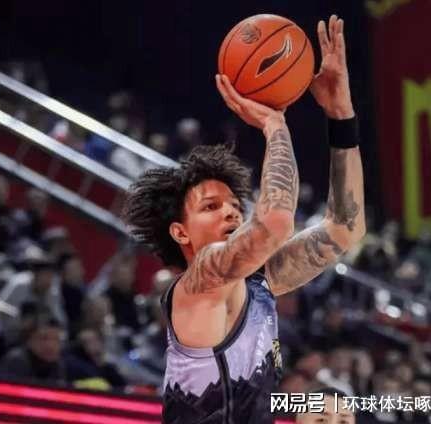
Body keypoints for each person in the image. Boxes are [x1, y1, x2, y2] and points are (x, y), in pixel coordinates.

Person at [122, 15, 365, 424]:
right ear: (180, 232)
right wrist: (274, 124)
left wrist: (342, 117)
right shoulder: (200, 280)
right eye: (211, 206)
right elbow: (275, 222)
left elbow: (346, 227)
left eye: (234, 203)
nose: (231, 210)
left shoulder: (258, 283)